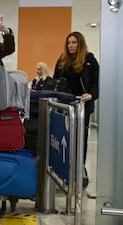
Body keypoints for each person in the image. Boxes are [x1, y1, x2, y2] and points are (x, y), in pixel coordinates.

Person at [53, 31, 99, 188]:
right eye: (69, 43)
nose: (71, 45)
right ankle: (64, 170)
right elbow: (55, 81)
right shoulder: (62, 60)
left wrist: (91, 94)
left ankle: (79, 170)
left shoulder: (89, 60)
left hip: (82, 106)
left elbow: (95, 83)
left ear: (80, 44)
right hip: (64, 105)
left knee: (80, 139)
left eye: (74, 42)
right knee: (64, 138)